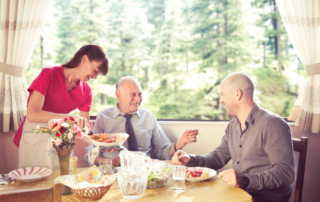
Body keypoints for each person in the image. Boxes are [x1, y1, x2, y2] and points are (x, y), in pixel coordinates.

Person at [171, 72, 295, 202]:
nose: (221, 100)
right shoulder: (232, 125)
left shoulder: (272, 124)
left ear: (237, 94)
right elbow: (218, 158)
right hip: (240, 190)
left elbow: (285, 174)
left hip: (265, 196)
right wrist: (190, 159)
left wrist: (245, 180)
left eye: (223, 94)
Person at [14, 45, 109, 170]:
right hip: (35, 132)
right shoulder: (48, 74)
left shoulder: (86, 91)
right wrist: (69, 118)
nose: (95, 77)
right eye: (96, 71)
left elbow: (84, 129)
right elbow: (32, 115)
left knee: (63, 181)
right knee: (36, 181)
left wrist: (100, 144)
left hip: (59, 136)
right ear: (84, 59)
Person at [84, 76, 199, 166]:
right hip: (114, 173)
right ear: (118, 96)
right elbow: (91, 155)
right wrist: (109, 161)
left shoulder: (148, 117)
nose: (138, 99)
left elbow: (162, 152)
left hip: (143, 172)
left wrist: (180, 142)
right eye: (133, 95)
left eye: (140, 94)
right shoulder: (103, 118)